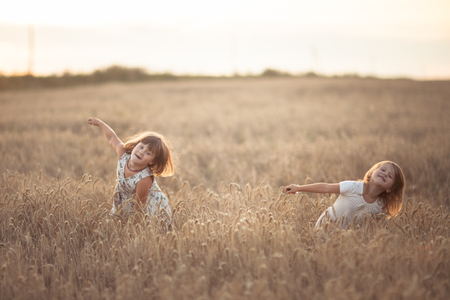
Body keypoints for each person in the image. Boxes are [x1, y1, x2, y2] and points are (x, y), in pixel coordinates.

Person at [87, 117, 174, 224]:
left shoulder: (144, 179)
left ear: (152, 161)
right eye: (141, 147)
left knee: (139, 224)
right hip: (126, 198)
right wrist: (99, 123)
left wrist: (133, 229)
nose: (142, 152)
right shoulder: (123, 153)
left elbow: (139, 210)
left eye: (148, 153)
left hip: (148, 206)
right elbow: (111, 138)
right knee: (116, 221)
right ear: (136, 144)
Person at [285, 161, 405, 229]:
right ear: (371, 173)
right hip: (326, 226)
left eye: (390, 176)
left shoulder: (380, 206)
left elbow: (373, 228)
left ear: (390, 189)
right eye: (383, 170)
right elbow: (325, 187)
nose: (385, 174)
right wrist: (299, 188)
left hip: (348, 238)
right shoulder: (353, 187)